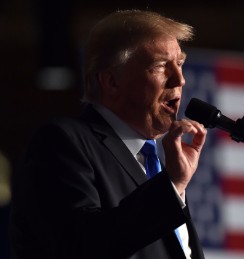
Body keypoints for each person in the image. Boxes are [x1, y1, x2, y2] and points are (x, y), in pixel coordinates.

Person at [9, 9, 207, 259]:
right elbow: (80, 246)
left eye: (179, 64)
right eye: (160, 66)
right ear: (111, 82)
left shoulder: (156, 164)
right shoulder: (62, 142)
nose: (179, 79)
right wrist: (172, 186)